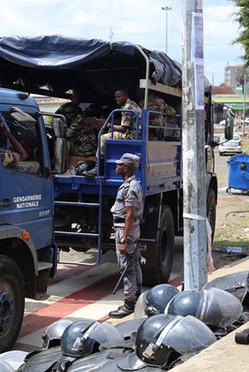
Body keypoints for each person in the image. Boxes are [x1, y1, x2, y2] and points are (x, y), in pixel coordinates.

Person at [108, 153, 143, 318]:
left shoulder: (129, 188)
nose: (117, 167)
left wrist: (123, 240)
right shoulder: (131, 185)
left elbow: (129, 215)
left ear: (126, 168)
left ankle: (129, 304)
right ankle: (137, 298)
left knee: (127, 267)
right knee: (134, 264)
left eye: (119, 165)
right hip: (128, 229)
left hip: (125, 230)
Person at [83, 89, 142, 177]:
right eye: (115, 97)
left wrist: (107, 124)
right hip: (135, 134)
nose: (117, 99)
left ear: (125, 96)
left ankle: (98, 168)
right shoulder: (132, 104)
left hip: (131, 136)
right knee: (111, 132)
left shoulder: (128, 107)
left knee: (102, 138)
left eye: (119, 96)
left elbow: (123, 128)